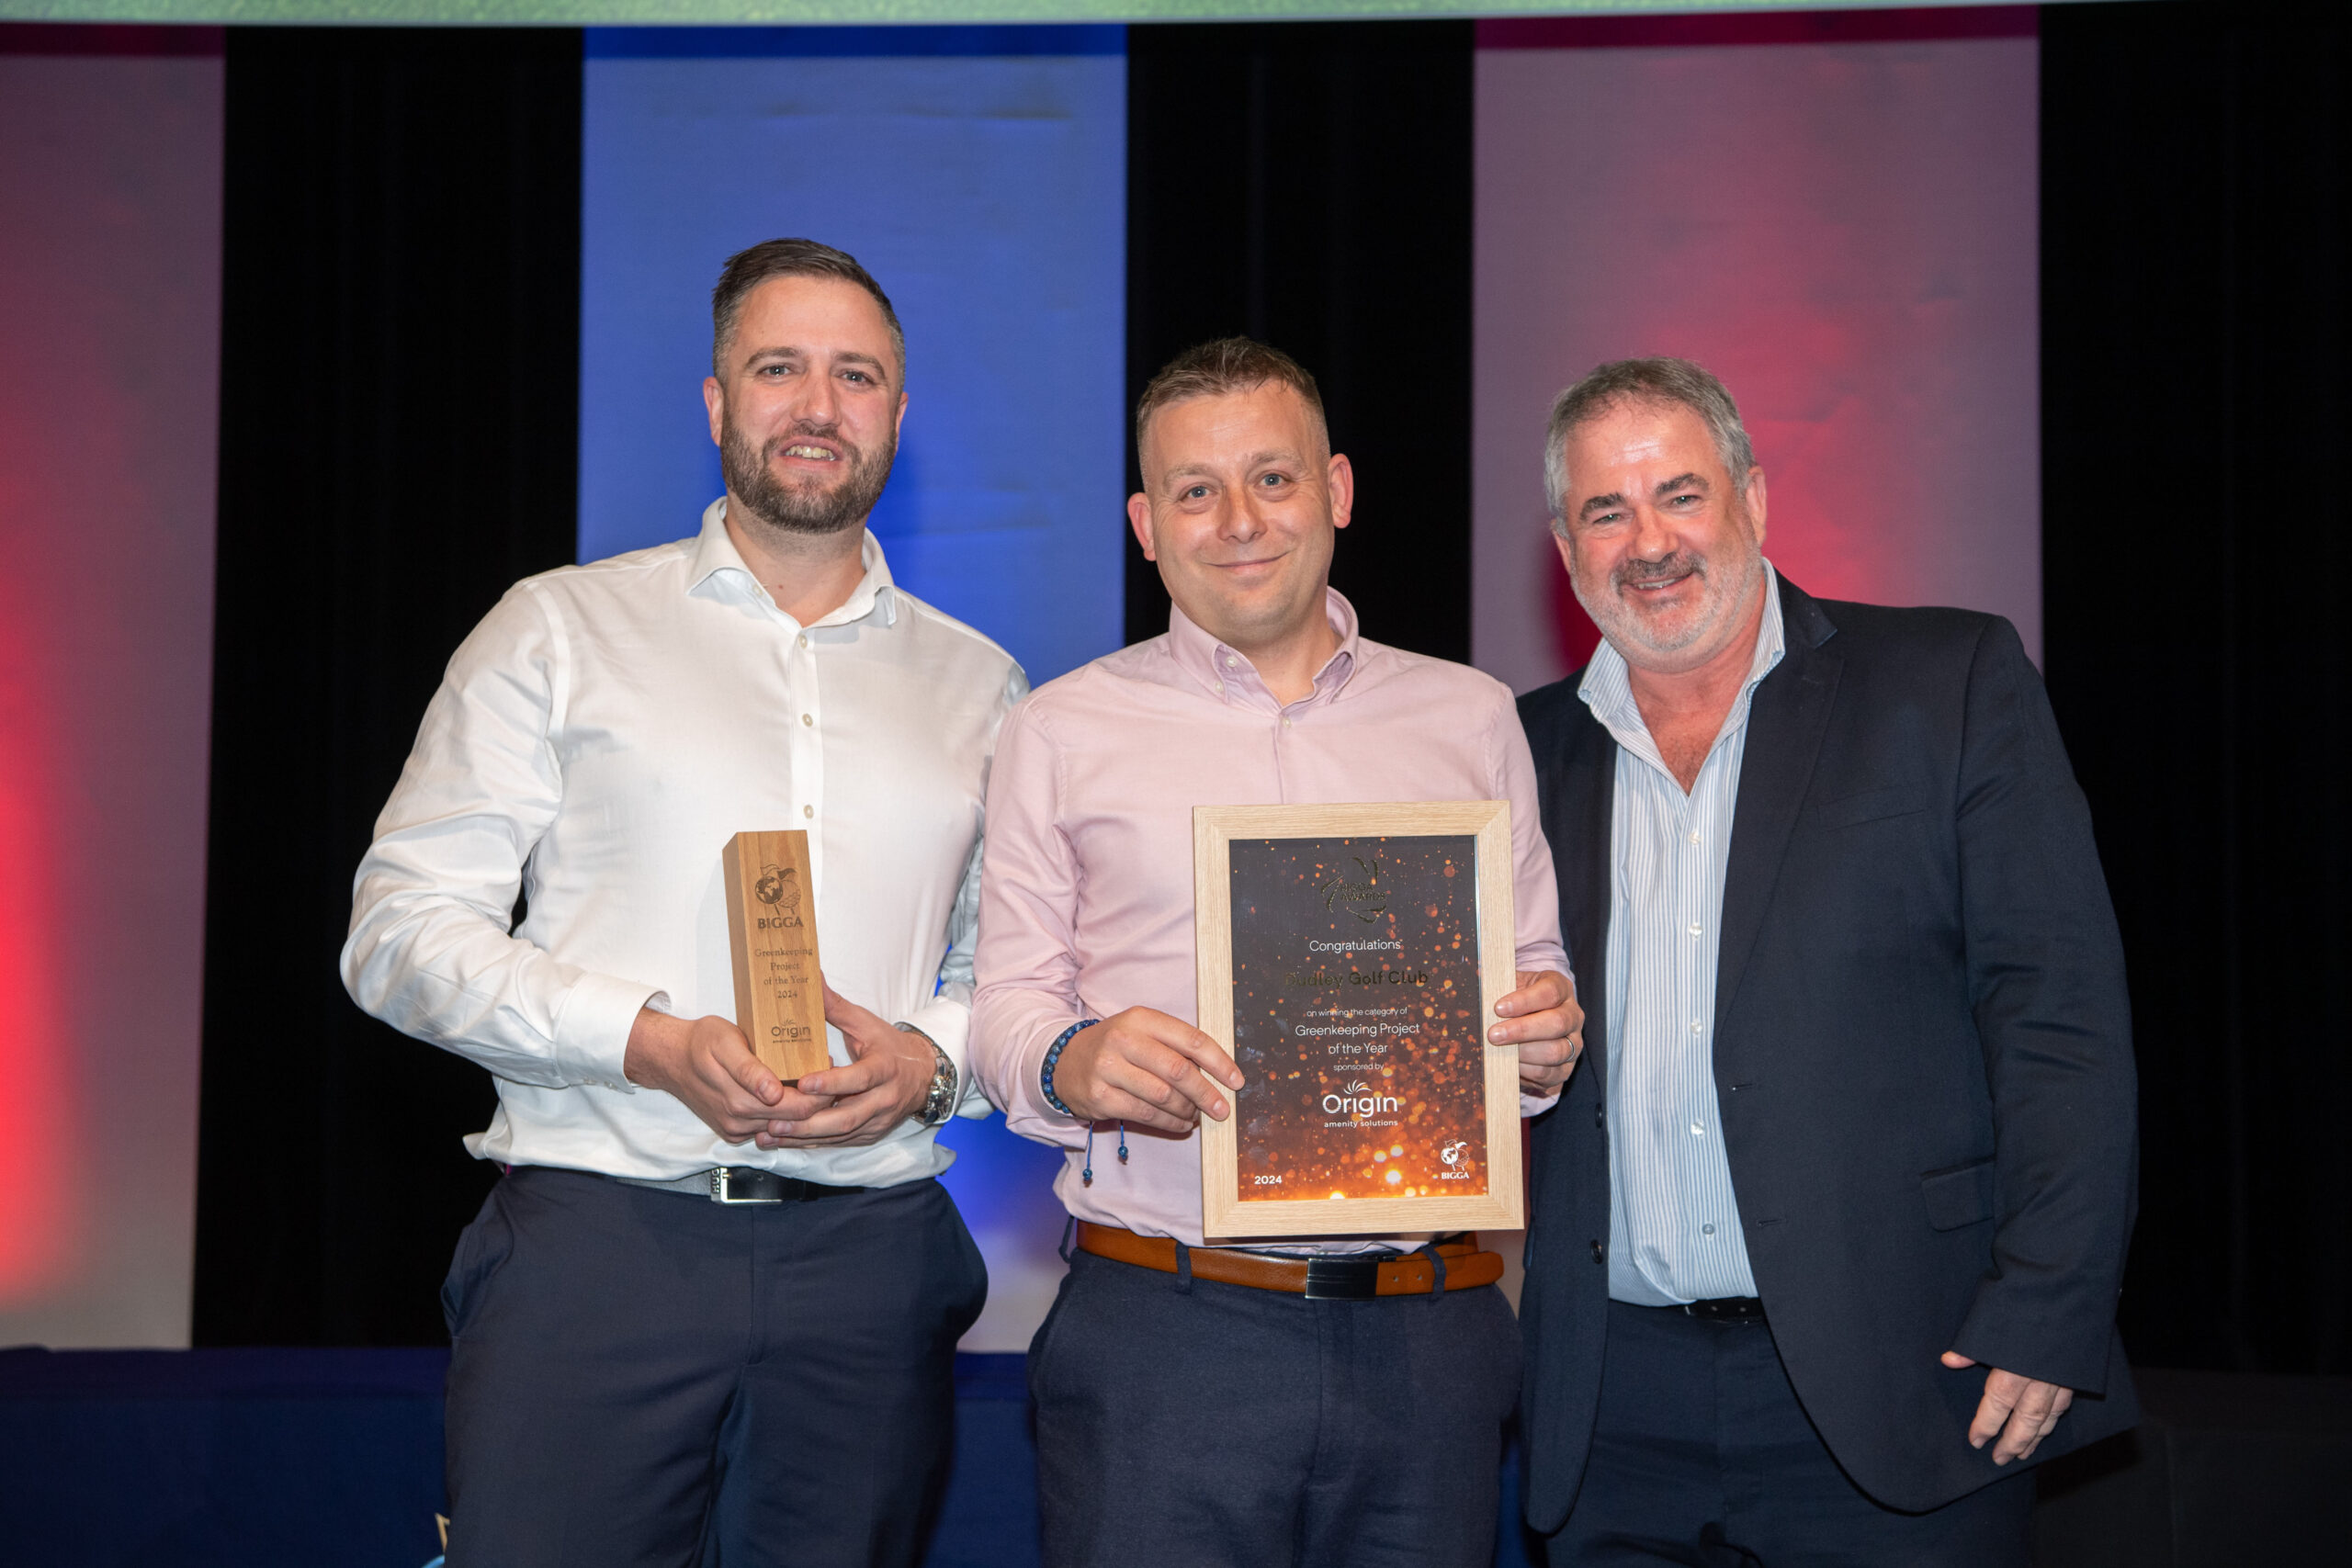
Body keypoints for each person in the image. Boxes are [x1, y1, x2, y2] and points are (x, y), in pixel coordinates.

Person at [341, 238, 1024, 1568]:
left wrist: (928, 1065)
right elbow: (399, 932)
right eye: (779, 369)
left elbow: (1011, 966)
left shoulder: (985, 685)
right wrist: (642, 1038)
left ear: (899, 414)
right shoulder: (555, 630)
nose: (818, 407)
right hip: (598, 1249)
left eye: (857, 376)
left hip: (871, 1265)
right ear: (717, 403)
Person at [970, 337, 1585, 1568]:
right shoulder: (1060, 728)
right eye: (1195, 491)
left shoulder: (1466, 717)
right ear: (1148, 524)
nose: (1238, 520)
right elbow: (1003, 1015)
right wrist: (1072, 1063)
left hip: (1429, 1339)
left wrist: (1545, 1032)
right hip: (1166, 1339)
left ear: (1339, 490)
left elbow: (1532, 1003)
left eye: (1273, 478)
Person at [1513, 356, 2139, 1564]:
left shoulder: (1947, 686)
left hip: (1904, 1384)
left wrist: (2052, 1307)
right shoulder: (1516, 752)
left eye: (1680, 495)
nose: (1649, 541)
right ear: (1565, 542)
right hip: (1610, 1412)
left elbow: (2059, 1021)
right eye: (1607, 510)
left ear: (1753, 498)